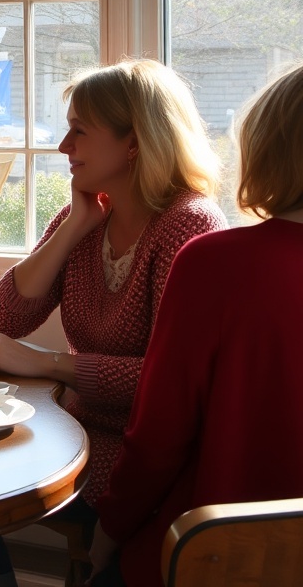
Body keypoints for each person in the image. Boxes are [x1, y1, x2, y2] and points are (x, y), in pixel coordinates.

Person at [0, 59, 227, 587]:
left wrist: (52, 365)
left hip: (142, 454)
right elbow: (6, 317)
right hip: (73, 431)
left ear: (134, 143)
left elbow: (172, 389)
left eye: (79, 131)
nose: (64, 147)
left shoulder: (188, 226)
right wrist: (74, 227)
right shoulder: (90, 214)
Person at [89, 62, 303, 586]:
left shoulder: (215, 262)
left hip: (217, 554)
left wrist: (107, 536)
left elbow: (159, 435)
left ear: (268, 150)